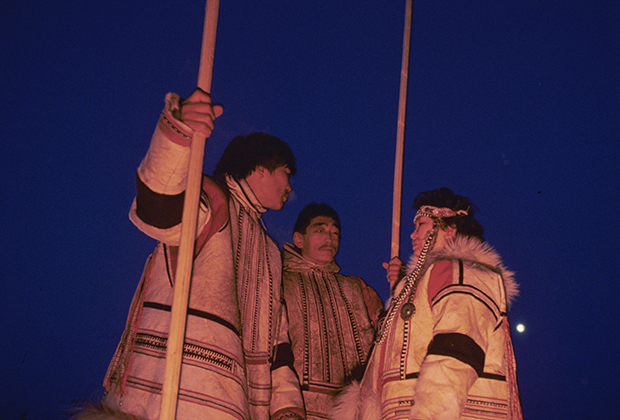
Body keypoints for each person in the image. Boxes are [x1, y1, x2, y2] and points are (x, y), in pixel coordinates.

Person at [73, 89, 304, 420]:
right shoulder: (212, 198)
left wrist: (286, 405)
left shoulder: (269, 249)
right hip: (172, 391)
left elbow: (277, 338)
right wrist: (178, 133)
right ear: (259, 169)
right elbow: (158, 210)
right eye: (285, 172)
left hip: (235, 400)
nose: (289, 186)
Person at [332, 188, 523, 420]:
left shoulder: (462, 274)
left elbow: (457, 356)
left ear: (449, 229)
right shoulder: (430, 279)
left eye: (420, 225)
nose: (412, 235)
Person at [282, 203, 384, 419]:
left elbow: (386, 336)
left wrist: (400, 282)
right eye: (320, 230)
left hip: (354, 409)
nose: (329, 238)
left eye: (335, 232)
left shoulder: (357, 288)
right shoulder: (281, 282)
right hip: (298, 406)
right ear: (299, 239)